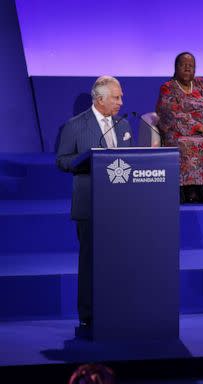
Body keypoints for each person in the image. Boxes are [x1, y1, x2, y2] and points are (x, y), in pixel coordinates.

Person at [56, 76, 132, 332]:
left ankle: (120, 308)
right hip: (90, 203)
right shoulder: (75, 126)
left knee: (120, 260)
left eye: (121, 97)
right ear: (99, 99)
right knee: (90, 261)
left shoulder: (123, 125)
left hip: (121, 206)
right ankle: (88, 315)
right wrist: (86, 160)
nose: (121, 102)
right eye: (116, 97)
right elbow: (62, 161)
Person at [156, 52, 203, 204]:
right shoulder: (168, 88)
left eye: (191, 66)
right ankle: (189, 189)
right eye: (183, 65)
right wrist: (200, 127)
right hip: (177, 132)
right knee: (186, 144)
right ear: (175, 67)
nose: (187, 68)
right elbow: (171, 114)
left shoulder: (201, 84)